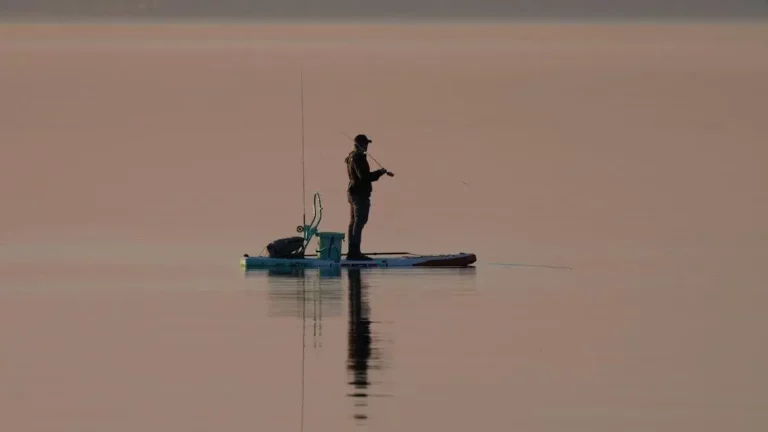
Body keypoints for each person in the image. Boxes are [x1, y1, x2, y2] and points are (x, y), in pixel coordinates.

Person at [344, 134, 390, 260]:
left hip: (352, 192)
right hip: (359, 194)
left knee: (354, 222)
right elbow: (364, 177)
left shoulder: (351, 157)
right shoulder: (358, 158)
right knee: (359, 222)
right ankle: (355, 253)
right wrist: (379, 173)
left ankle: (352, 252)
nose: (367, 147)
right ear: (360, 145)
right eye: (365, 144)